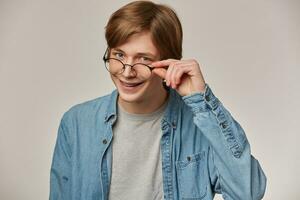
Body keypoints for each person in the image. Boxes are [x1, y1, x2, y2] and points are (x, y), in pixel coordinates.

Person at [49, 1, 267, 200]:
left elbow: (247, 193)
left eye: (143, 59)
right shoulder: (76, 123)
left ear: (169, 62)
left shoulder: (200, 125)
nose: (127, 72)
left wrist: (201, 100)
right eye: (119, 55)